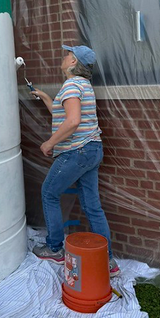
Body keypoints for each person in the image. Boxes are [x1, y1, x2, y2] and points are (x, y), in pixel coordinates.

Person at [30, 45, 118, 276]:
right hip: (92, 149)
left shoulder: (71, 86)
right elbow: (65, 116)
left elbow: (72, 121)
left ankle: (55, 248)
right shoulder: (83, 85)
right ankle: (108, 261)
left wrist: (49, 143)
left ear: (73, 62)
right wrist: (46, 97)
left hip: (77, 151)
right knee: (92, 206)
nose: (64, 56)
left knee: (49, 193)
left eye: (68, 54)